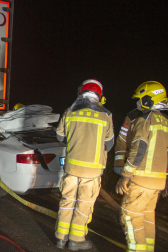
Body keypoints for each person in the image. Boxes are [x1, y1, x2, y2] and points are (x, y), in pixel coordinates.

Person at [55, 79, 114, 250]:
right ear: (99, 95)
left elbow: (59, 137)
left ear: (81, 92)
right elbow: (109, 145)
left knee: (67, 201)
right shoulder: (106, 115)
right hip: (92, 171)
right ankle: (76, 241)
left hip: (72, 168)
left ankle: (60, 238)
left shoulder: (69, 111)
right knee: (83, 205)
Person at [115, 81, 168, 252]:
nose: (137, 103)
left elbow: (138, 150)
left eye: (140, 99)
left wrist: (125, 175)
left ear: (148, 99)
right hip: (157, 184)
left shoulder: (143, 120)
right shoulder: (166, 122)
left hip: (140, 181)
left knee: (130, 216)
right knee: (147, 217)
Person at [113, 108, 143, 175]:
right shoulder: (132, 116)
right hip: (131, 165)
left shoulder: (164, 117)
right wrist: (119, 163)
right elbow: (121, 140)